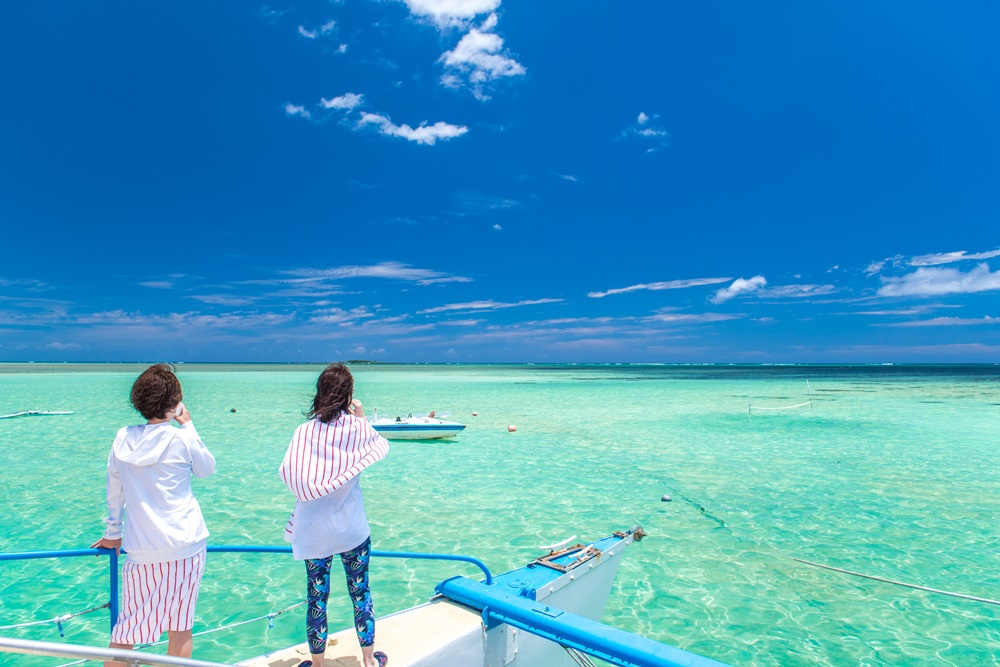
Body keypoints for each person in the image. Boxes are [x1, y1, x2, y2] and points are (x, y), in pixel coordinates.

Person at [91, 364, 216, 667]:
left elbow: (114, 489)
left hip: (142, 548)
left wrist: (112, 532)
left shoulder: (123, 437)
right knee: (180, 627)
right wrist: (187, 425)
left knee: (127, 629)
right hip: (186, 544)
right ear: (174, 404)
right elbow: (206, 469)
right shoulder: (180, 438)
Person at [279, 363, 390, 667]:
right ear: (348, 396)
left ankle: (318, 663)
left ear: (320, 394)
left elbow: (289, 475)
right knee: (360, 593)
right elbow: (379, 447)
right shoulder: (358, 430)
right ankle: (368, 660)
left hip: (314, 532)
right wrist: (362, 417)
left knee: (317, 600)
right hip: (352, 530)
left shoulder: (304, 432)